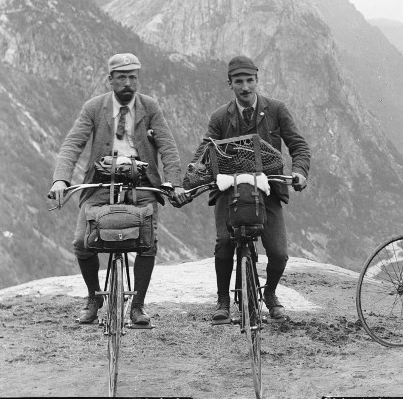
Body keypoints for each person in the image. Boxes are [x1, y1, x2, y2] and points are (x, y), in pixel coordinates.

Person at [49, 53, 188, 326]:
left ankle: (137, 305)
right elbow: (72, 144)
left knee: (147, 241)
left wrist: (174, 182)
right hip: (101, 182)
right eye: (121, 77)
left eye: (133, 77)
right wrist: (61, 180)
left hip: (142, 183)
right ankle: (94, 297)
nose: (127, 83)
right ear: (110, 80)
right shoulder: (94, 108)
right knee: (82, 241)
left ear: (138, 79)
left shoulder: (150, 107)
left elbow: (168, 147)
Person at [192, 55, 310, 323]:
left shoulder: (277, 110)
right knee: (224, 242)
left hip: (266, 189)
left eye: (249, 81)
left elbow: (299, 146)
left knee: (278, 253)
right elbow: (205, 148)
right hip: (230, 189)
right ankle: (223, 299)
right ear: (230, 84)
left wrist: (299, 172)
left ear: (257, 81)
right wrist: (196, 170)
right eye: (238, 82)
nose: (245, 88)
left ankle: (270, 294)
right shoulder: (220, 116)